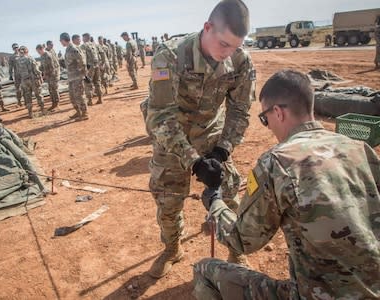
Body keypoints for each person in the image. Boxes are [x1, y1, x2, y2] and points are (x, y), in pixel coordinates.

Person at [193, 69, 380, 299]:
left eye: (264, 119)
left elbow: (242, 239)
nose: (268, 126)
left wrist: (215, 200)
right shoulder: (360, 148)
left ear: (278, 113)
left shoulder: (277, 163)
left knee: (204, 270)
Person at [143, 0, 255, 278]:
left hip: (212, 137)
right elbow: (161, 117)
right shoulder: (169, 56)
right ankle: (172, 248)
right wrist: (194, 161)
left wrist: (221, 152)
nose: (228, 53)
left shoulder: (240, 60)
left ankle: (235, 248)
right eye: (224, 44)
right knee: (168, 201)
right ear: (207, 28)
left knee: (228, 195)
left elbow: (240, 111)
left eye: (235, 46)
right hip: (172, 141)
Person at [61, 32, 88, 121]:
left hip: (77, 77)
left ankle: (84, 113)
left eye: (61, 41)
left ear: (64, 40)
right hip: (71, 77)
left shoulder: (73, 48)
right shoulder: (68, 49)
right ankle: (78, 111)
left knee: (79, 96)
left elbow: (82, 61)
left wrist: (81, 73)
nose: (61, 43)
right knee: (72, 97)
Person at [17, 46, 44, 118]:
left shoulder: (18, 60)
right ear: (26, 51)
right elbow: (35, 69)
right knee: (38, 94)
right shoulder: (30, 58)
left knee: (27, 97)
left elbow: (18, 72)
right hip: (33, 79)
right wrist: (40, 76)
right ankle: (43, 110)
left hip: (24, 81)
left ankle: (30, 113)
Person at [37, 44, 60, 111]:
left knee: (54, 89)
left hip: (53, 75)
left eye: (39, 51)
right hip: (49, 76)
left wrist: (45, 75)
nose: (38, 53)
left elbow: (52, 67)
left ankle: (56, 104)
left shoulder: (48, 55)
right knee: (51, 90)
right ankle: (53, 103)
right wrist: (39, 71)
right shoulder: (42, 56)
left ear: (41, 49)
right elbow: (42, 66)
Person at [82, 33, 103, 105]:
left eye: (83, 38)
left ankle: (90, 100)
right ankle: (100, 98)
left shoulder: (84, 46)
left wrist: (84, 68)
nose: (82, 39)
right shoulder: (95, 45)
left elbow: (83, 58)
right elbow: (101, 54)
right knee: (97, 82)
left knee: (88, 83)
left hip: (89, 67)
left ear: (85, 38)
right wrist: (101, 63)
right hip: (96, 65)